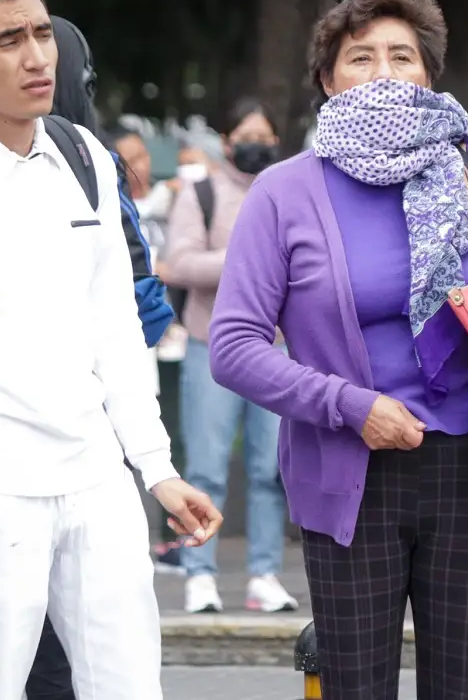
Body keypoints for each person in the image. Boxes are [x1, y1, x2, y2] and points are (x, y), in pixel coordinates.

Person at [206, 0, 468, 699]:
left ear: (429, 73)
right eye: (361, 57)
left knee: (466, 687)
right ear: (327, 79)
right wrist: (349, 405)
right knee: (357, 687)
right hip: (348, 473)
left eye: (403, 56)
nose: (384, 72)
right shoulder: (284, 192)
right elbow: (234, 346)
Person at [0, 0, 221, 700]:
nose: (37, 56)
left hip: (96, 481)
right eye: (9, 41)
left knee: (129, 687)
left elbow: (115, 330)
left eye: (41, 33)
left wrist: (156, 468)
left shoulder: (84, 156)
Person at [18, 13, 181, 700]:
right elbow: (144, 309)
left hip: (25, 443)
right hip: (90, 432)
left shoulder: (77, 159)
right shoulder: (91, 160)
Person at [163, 96, 297, 614]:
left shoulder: (287, 191)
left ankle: (264, 573)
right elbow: (178, 264)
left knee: (270, 469)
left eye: (265, 139)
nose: (256, 147)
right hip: (210, 347)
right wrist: (248, 257)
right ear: (225, 142)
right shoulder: (201, 193)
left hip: (276, 351)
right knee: (207, 468)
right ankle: (200, 573)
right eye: (247, 137)